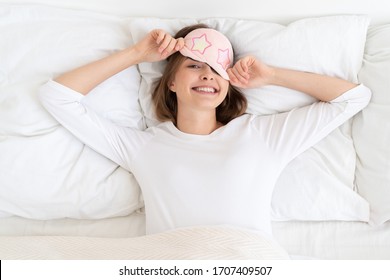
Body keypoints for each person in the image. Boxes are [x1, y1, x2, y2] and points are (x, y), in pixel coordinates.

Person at [38, 24, 371, 238]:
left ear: (228, 83)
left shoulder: (261, 136)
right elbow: (57, 96)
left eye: (216, 69)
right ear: (170, 81)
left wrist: (271, 76)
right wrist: (137, 54)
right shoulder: (142, 147)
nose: (208, 75)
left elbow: (352, 98)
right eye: (194, 66)